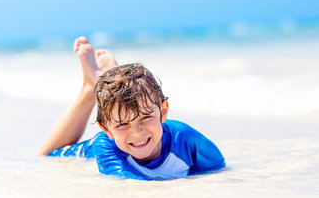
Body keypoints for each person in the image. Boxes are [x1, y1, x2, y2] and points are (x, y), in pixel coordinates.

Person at [39, 37, 225, 180]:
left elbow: (220, 174)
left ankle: (109, 84)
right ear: (106, 129)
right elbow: (135, 188)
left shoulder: (188, 142)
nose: (137, 133)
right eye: (122, 125)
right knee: (45, 155)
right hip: (77, 153)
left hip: (117, 116)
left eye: (145, 117)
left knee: (121, 106)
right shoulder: (105, 147)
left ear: (164, 111)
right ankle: (91, 89)